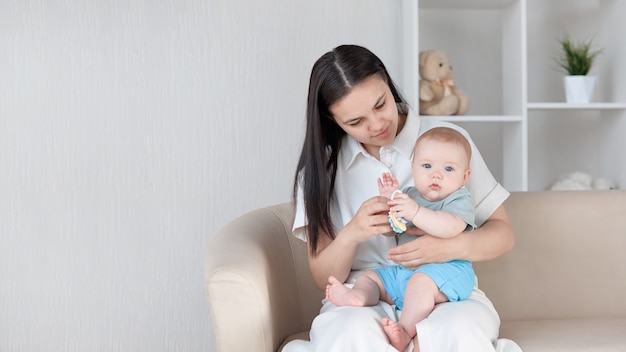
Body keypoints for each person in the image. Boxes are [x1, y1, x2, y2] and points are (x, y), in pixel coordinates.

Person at [286, 44, 520, 352]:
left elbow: (502, 234)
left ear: (387, 81)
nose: (377, 124)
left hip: (442, 288)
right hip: (366, 292)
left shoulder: (448, 141)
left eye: (381, 104)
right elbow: (323, 277)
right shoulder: (321, 172)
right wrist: (352, 233)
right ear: (332, 121)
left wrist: (448, 246)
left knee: (457, 332)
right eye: (356, 122)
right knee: (347, 334)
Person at [325, 127, 477, 352]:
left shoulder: (459, 198)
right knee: (372, 277)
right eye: (427, 166)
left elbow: (450, 227)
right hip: (406, 272)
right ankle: (358, 296)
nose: (436, 175)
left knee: (420, 282)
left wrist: (415, 212)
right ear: (413, 168)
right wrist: (391, 207)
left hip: (448, 272)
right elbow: (396, 230)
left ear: (464, 176)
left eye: (448, 168)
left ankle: (406, 331)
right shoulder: (411, 195)